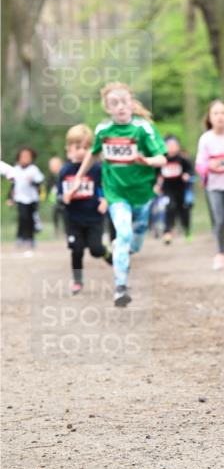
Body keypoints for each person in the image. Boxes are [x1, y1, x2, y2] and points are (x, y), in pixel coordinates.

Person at [67, 81, 167, 307]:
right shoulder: (103, 130)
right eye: (114, 103)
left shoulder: (143, 129)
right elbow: (92, 156)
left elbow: (162, 158)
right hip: (116, 193)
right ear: (107, 108)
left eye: (124, 102)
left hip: (142, 193)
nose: (120, 107)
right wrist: (78, 179)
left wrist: (146, 160)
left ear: (131, 103)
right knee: (123, 234)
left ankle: (124, 250)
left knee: (136, 240)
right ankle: (120, 286)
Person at [59, 124, 112, 294]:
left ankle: (110, 257)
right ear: (69, 148)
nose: (82, 151)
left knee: (96, 250)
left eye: (86, 147)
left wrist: (105, 199)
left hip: (94, 217)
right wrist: (65, 197)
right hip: (73, 218)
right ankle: (77, 281)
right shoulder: (65, 170)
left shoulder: (96, 169)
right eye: (78, 147)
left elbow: (103, 187)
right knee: (77, 250)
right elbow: (60, 194)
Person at [195, 100, 224, 270]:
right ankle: (221, 253)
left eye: (223, 113)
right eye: (216, 113)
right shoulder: (206, 139)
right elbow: (199, 164)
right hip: (214, 186)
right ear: (209, 117)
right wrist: (209, 166)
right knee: (218, 220)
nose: (220, 116)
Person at [8, 146, 44, 255]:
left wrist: (32, 182)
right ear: (18, 158)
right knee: (22, 217)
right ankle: (20, 237)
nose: (25, 158)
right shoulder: (16, 170)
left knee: (30, 219)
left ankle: (30, 239)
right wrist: (10, 198)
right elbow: (13, 186)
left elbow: (39, 183)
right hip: (20, 198)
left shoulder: (34, 169)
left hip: (32, 199)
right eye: (23, 156)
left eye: (27, 156)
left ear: (32, 158)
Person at [158, 135, 193, 244]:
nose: (171, 148)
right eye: (169, 146)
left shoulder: (182, 159)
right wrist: (156, 184)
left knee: (183, 210)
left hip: (181, 189)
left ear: (178, 147)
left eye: (174, 145)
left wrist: (187, 174)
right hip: (167, 189)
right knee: (170, 207)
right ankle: (167, 231)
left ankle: (187, 230)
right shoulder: (162, 159)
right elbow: (156, 173)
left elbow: (190, 169)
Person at [47, 156, 66, 233]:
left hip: (64, 198)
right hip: (54, 200)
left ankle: (66, 230)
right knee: (55, 214)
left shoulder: (64, 173)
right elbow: (48, 187)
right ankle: (56, 229)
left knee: (65, 215)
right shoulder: (51, 177)